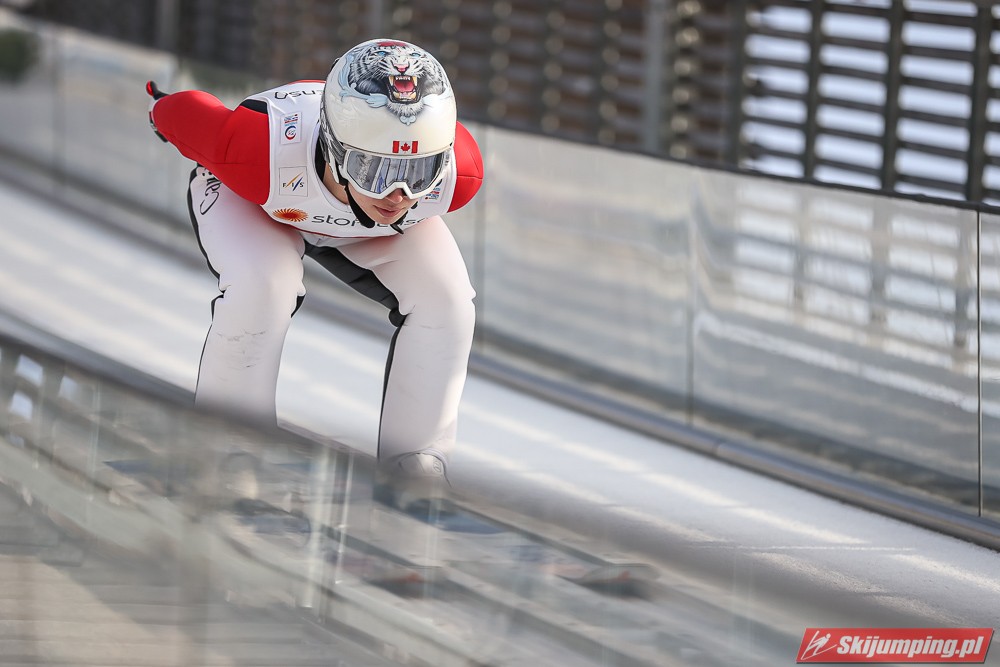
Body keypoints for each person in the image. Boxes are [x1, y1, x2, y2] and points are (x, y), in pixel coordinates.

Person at [146, 38, 484, 504]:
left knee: (448, 301)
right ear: (335, 149)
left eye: (420, 170)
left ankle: (418, 459)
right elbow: (187, 114)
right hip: (256, 197)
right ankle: (228, 448)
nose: (399, 195)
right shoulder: (254, 148)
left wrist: (377, 180)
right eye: (375, 169)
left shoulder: (458, 175)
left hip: (350, 215)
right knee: (264, 285)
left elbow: (403, 194)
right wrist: (159, 106)